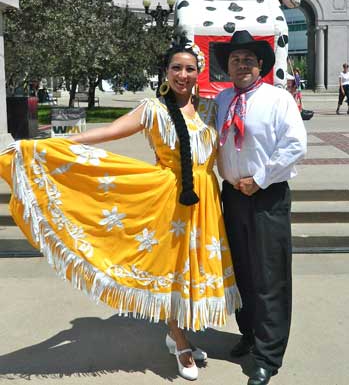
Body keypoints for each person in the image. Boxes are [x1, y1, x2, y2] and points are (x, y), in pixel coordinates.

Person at [0, 37, 241, 381]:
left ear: (198, 72)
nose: (183, 75)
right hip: (166, 199)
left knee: (192, 270)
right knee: (169, 270)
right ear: (166, 72)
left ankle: (179, 335)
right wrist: (52, 145)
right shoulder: (152, 109)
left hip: (206, 200)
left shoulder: (210, 110)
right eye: (176, 68)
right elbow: (110, 131)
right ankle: (179, 339)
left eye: (189, 68)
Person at [213, 30, 307, 385]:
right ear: (229, 67)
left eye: (249, 60)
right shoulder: (222, 101)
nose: (242, 65)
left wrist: (261, 178)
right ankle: (249, 333)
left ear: (261, 65)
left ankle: (268, 355)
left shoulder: (278, 99)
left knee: (270, 277)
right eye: (236, 60)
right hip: (233, 196)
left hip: (267, 195)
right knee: (242, 272)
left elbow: (295, 145)